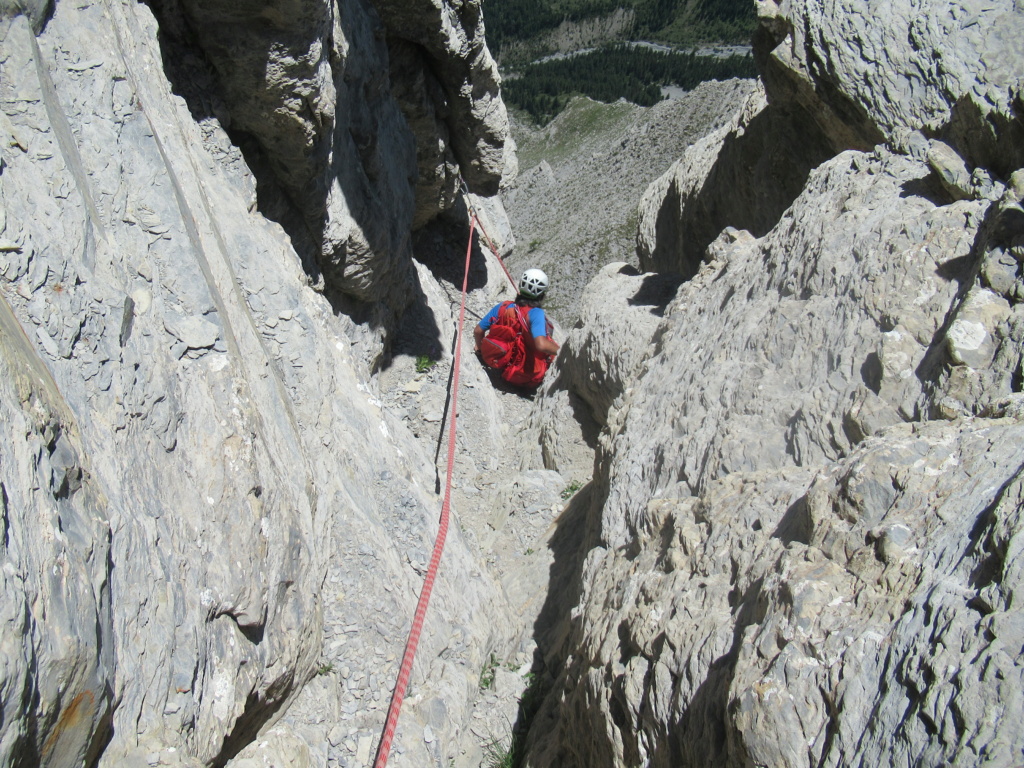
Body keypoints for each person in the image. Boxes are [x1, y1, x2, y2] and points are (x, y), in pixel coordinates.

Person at [473, 268, 559, 388]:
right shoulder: (536, 313)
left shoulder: (503, 307)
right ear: (542, 294)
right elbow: (541, 344)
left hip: (500, 364)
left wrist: (481, 351)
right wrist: (562, 350)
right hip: (526, 377)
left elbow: (478, 331)